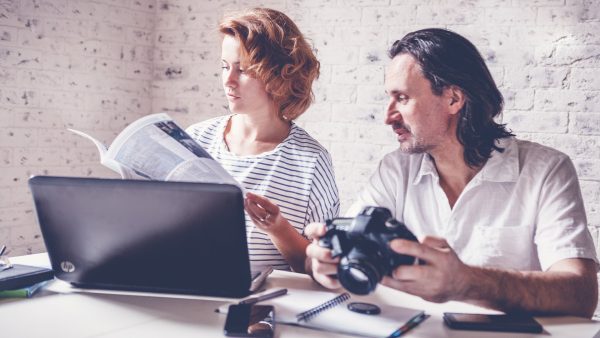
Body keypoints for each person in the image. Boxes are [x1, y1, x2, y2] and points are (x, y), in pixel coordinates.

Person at [305, 28, 599, 318]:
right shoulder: (396, 169)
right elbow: (332, 252)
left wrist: (467, 282)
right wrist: (321, 263)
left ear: (454, 99)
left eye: (402, 98)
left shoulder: (546, 170)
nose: (387, 116)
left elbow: (581, 294)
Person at [187, 8, 339, 274]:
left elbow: (325, 270)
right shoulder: (196, 139)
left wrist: (279, 229)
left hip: (264, 310)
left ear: (280, 75)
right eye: (225, 67)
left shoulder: (311, 163)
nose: (228, 81)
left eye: (243, 70)